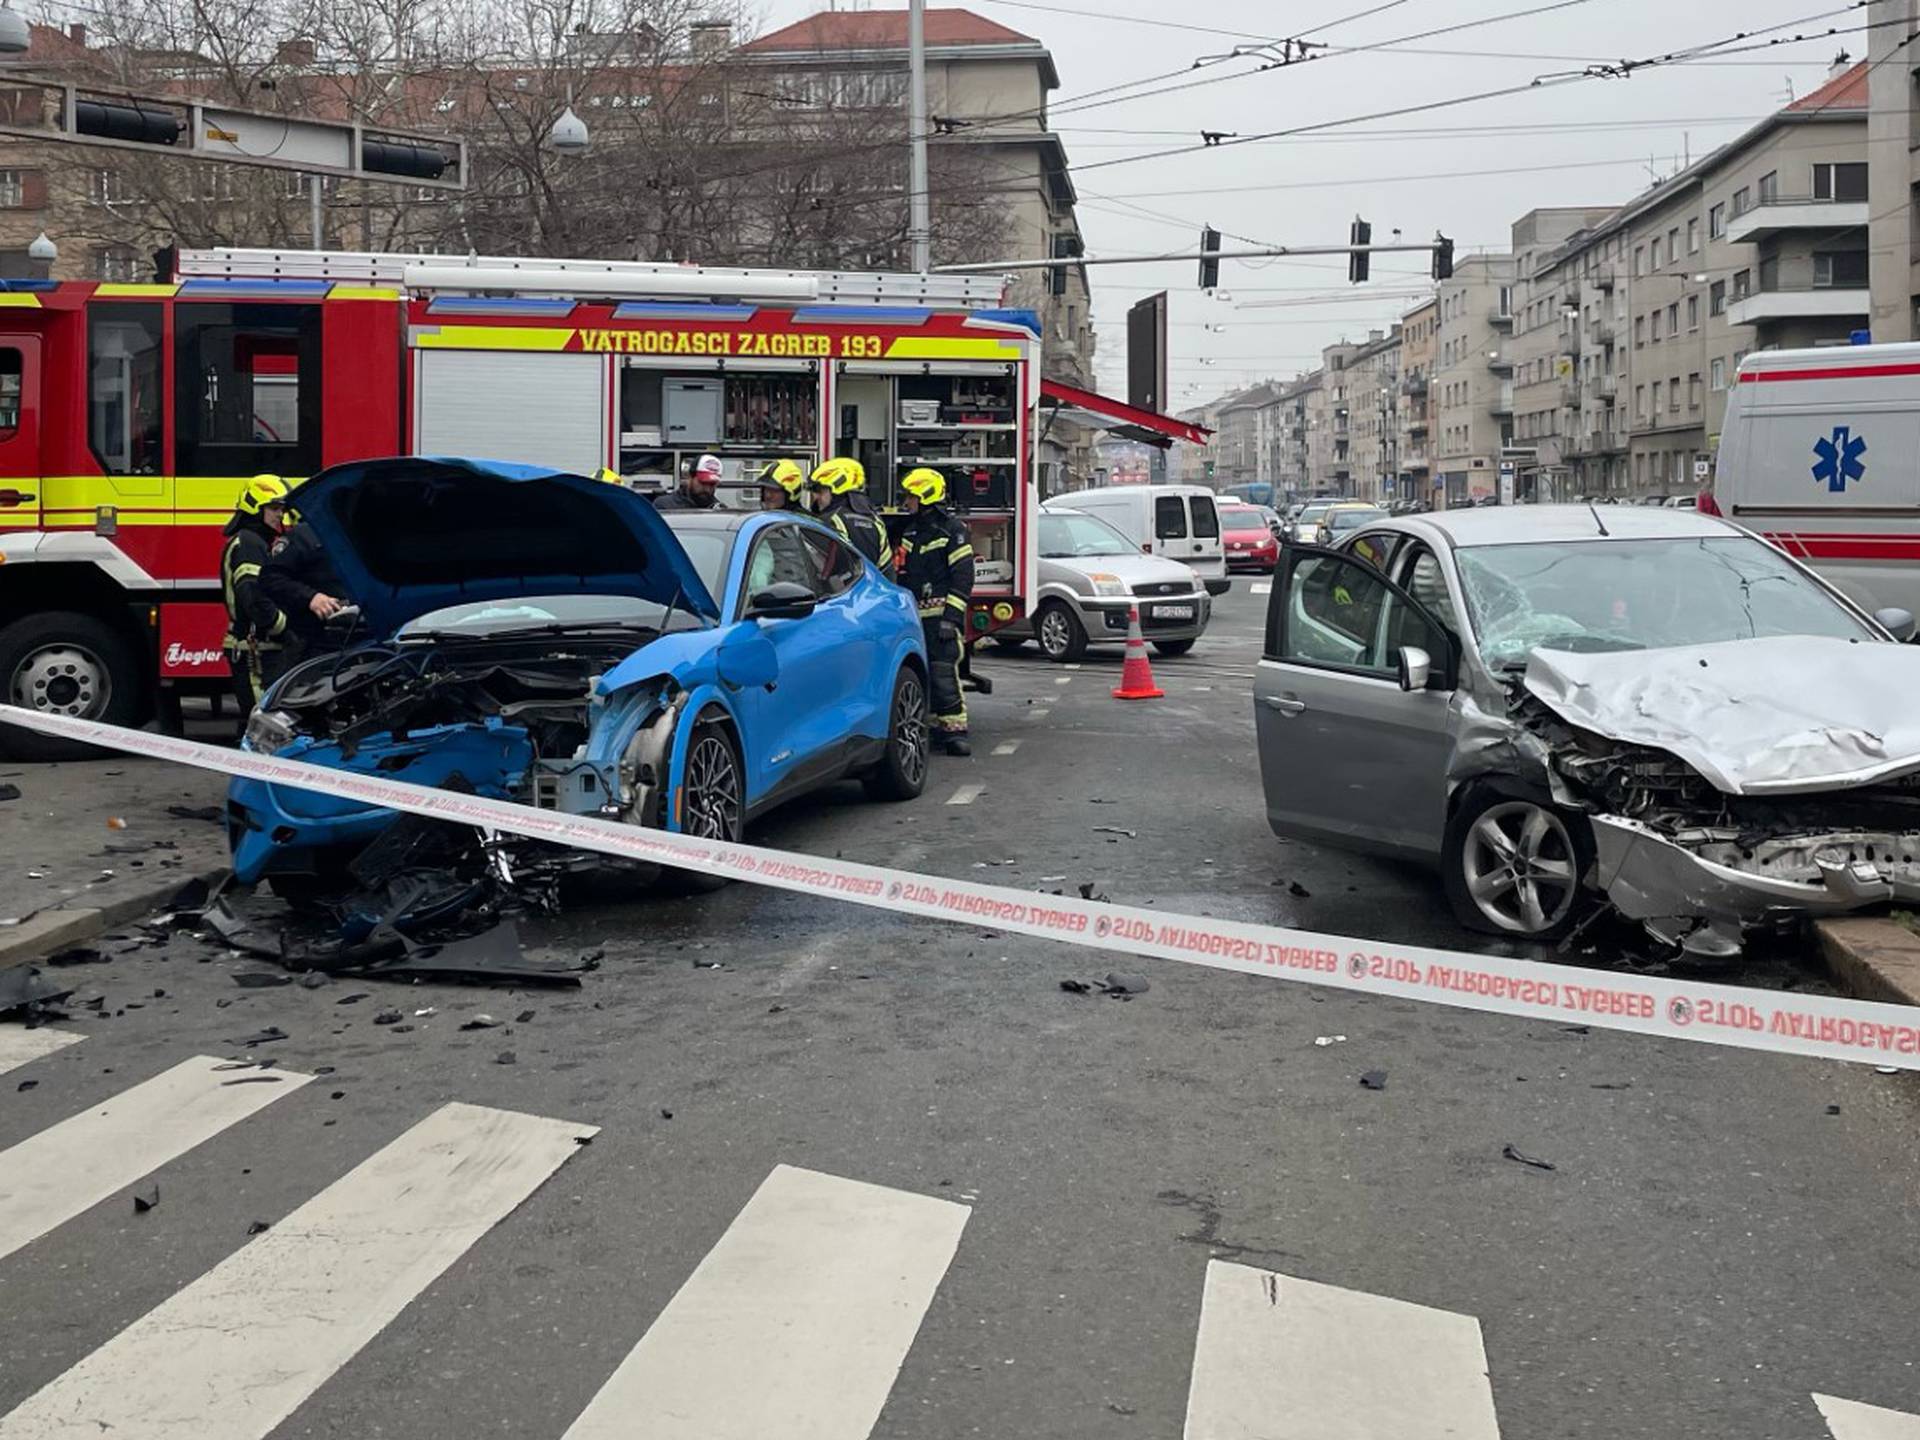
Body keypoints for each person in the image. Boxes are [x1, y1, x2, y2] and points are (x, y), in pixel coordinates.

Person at [898, 467, 974, 756]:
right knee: (921, 674)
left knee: (943, 673)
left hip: (941, 618)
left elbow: (963, 576)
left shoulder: (953, 531)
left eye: (911, 497)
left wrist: (951, 619)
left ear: (925, 496)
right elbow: (903, 571)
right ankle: (931, 728)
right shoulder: (912, 530)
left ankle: (956, 732)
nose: (907, 502)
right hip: (916, 619)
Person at [221, 474, 294, 710]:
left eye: (281, 509)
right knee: (262, 722)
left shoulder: (256, 542)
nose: (280, 515)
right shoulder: (249, 543)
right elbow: (254, 598)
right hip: (256, 650)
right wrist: (284, 627)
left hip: (261, 648)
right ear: (254, 508)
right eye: (273, 508)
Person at [261, 511, 350, 678]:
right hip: (315, 645)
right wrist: (311, 598)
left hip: (364, 643)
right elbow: (270, 578)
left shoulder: (369, 536)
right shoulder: (306, 535)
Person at [807, 456, 893, 577]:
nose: (815, 497)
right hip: (874, 592)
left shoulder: (831, 521)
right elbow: (887, 569)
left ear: (837, 489)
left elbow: (820, 573)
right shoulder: (876, 521)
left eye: (820, 491)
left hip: (842, 593)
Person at [654, 453, 724, 511]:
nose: (707, 489)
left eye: (712, 484)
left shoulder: (720, 511)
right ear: (690, 477)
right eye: (703, 483)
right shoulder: (665, 506)